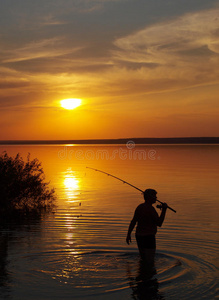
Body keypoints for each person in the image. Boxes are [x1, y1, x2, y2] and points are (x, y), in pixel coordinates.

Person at [126, 189, 167, 264]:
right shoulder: (151, 209)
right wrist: (164, 210)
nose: (156, 198)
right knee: (150, 261)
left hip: (139, 236)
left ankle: (142, 273)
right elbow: (159, 223)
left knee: (143, 259)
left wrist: (128, 234)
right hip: (149, 237)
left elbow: (133, 221)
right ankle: (148, 274)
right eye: (154, 196)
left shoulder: (140, 207)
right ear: (149, 197)